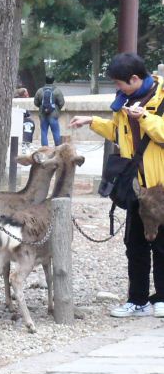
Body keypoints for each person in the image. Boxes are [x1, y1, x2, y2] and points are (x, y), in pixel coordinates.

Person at [72, 52, 164, 318]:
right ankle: (137, 299)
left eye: (120, 83)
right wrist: (92, 122)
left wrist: (144, 118)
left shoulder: (160, 98)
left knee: (161, 245)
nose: (117, 88)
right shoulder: (124, 101)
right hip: (135, 186)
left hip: (160, 187)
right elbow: (119, 133)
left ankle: (161, 297)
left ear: (135, 78)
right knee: (134, 244)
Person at [33, 76, 65, 146]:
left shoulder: (40, 90)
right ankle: (58, 148)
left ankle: (45, 149)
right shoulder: (57, 91)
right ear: (53, 81)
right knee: (56, 131)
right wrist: (56, 108)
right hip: (53, 114)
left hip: (42, 114)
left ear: (45, 80)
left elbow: (35, 102)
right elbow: (61, 103)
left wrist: (42, 107)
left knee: (44, 132)